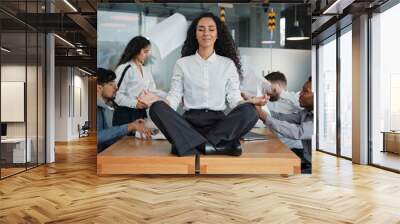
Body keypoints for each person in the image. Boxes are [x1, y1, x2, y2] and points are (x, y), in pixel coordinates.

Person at [138, 12, 268, 157]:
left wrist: (251, 101)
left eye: (211, 29)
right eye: (201, 29)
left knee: (250, 111)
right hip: (189, 124)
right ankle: (216, 146)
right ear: (195, 34)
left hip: (219, 125)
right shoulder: (182, 64)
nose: (206, 33)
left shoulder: (227, 64)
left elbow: (235, 100)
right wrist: (155, 100)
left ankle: (190, 145)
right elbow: (173, 99)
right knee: (156, 109)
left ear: (217, 34)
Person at [255, 77, 314, 173]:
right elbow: (280, 117)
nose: (300, 94)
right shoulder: (305, 113)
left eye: (305, 91)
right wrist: (258, 108)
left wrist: (265, 117)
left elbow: (298, 132)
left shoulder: (320, 118)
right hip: (307, 161)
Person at [97, 68, 151, 153]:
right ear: (99, 88)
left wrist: (132, 128)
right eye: (111, 84)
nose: (116, 87)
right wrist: (129, 127)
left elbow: (107, 138)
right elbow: (98, 137)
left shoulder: (101, 108)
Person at [112, 36, 157, 129]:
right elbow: (116, 95)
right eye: (145, 51)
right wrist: (136, 104)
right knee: (125, 143)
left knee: (141, 142)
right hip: (125, 115)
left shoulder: (146, 70)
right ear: (136, 51)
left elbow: (152, 91)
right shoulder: (125, 68)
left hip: (141, 113)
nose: (147, 54)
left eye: (148, 51)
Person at [263, 71, 303, 149]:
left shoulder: (294, 98)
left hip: (293, 148)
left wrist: (280, 93)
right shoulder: (269, 100)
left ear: (279, 85)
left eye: (268, 86)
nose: (266, 90)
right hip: (274, 145)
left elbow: (308, 111)